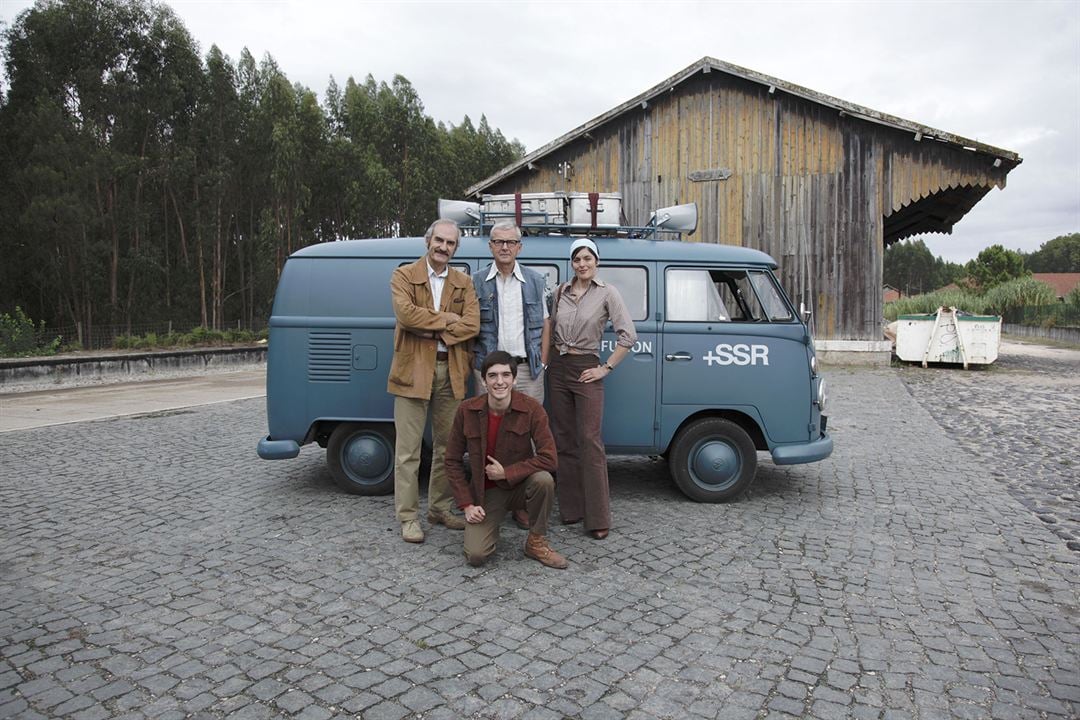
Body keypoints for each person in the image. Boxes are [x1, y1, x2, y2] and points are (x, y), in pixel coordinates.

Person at [388, 219, 480, 543]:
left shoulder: (464, 282)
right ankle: (409, 517)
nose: (443, 247)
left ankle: (439, 508)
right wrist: (446, 321)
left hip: (451, 370)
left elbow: (472, 325)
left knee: (447, 448)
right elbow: (405, 315)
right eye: (439, 240)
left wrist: (429, 327)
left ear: (456, 248)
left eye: (450, 243)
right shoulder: (404, 275)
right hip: (412, 371)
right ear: (428, 241)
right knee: (408, 452)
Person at [547, 237, 637, 540]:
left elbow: (628, 336)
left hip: (587, 367)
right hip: (558, 369)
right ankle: (571, 510)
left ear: (596, 261)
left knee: (590, 440)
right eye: (577, 259)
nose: (582, 264)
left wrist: (605, 368)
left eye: (587, 258)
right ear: (571, 263)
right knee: (564, 440)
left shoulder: (608, 293)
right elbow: (548, 328)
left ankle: (598, 518)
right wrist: (547, 364)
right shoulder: (560, 291)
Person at [445, 351, 568, 569]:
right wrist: (467, 505)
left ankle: (536, 542)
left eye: (505, 375)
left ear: (514, 379)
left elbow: (550, 459)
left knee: (544, 480)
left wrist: (507, 473)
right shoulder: (467, 410)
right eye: (492, 376)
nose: (499, 382)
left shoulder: (532, 409)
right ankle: (491, 526)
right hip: (487, 493)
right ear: (483, 380)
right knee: (476, 555)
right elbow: (452, 460)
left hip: (521, 486)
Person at [472, 220, 551, 529]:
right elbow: (470, 327)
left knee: (526, 438)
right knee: (485, 435)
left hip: (527, 370)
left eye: (510, 242)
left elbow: (546, 323)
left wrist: (542, 362)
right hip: (489, 372)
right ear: (490, 246)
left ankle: (521, 501)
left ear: (520, 247)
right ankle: (484, 498)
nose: (504, 247)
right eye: (498, 242)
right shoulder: (477, 281)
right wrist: (475, 367)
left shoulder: (534, 280)